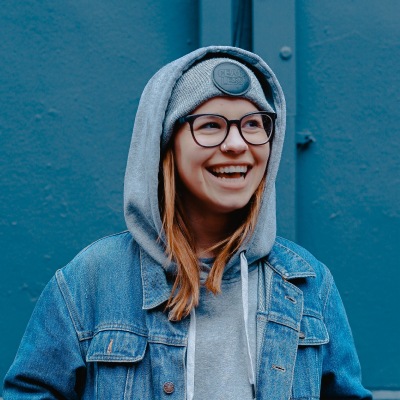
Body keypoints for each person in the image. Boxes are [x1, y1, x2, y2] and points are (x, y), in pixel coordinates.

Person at [3, 46, 372, 399]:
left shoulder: (309, 285)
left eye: (253, 124)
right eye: (211, 125)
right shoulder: (92, 280)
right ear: (166, 145)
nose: (237, 144)